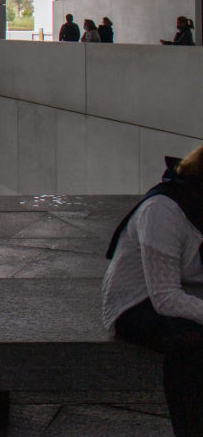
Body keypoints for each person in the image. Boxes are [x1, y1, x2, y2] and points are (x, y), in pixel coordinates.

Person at [103, 146, 203, 437]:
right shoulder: (163, 210)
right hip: (136, 302)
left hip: (189, 291)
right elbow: (166, 299)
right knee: (191, 343)